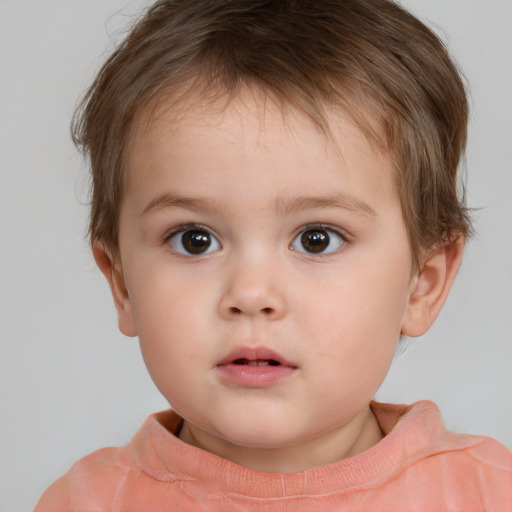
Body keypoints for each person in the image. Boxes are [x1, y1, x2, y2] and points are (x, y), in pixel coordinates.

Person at [34, 0, 511, 510]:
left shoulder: (489, 494)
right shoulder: (86, 502)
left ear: (423, 283)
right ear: (122, 283)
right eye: (194, 239)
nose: (251, 294)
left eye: (316, 239)